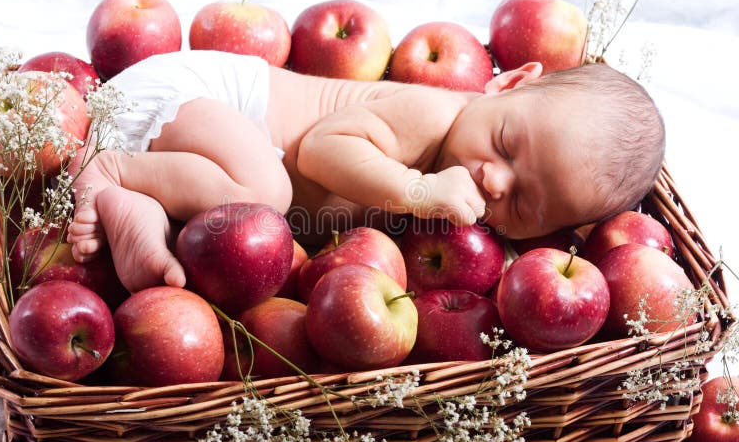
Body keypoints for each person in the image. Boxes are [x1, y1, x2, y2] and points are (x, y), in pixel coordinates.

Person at [66, 50, 664, 293]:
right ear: (506, 83)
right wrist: (418, 189)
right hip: (191, 98)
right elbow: (320, 152)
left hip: (197, 159)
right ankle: (113, 170)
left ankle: (140, 204)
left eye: (528, 205)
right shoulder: (432, 114)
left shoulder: (470, 219)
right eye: (506, 142)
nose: (497, 181)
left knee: (236, 227)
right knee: (268, 193)